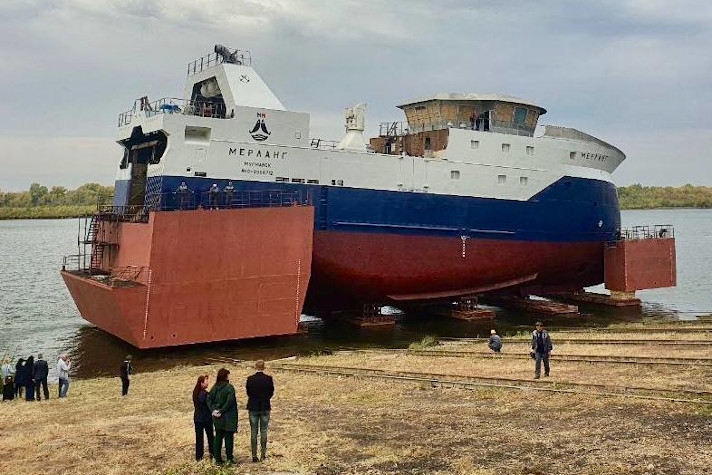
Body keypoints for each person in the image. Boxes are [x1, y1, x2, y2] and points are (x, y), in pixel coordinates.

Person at [246, 360, 274, 463]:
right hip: (265, 407)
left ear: (255, 367)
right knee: (264, 431)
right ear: (264, 367)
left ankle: (254, 455)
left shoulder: (250, 379)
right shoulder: (269, 379)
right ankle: (263, 455)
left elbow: (248, 392)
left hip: (253, 407)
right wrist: (266, 399)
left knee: (253, 431)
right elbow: (271, 392)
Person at [208, 368, 238, 465]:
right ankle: (229, 458)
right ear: (225, 376)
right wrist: (221, 411)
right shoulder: (229, 388)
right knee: (229, 437)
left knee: (218, 436)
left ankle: (218, 459)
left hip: (217, 417)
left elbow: (209, 399)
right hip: (228, 417)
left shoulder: (214, 387)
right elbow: (229, 402)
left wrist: (213, 410)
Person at [193, 374, 215, 461]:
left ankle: (199, 457)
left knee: (199, 438)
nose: (208, 383)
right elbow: (208, 405)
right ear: (201, 383)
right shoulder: (205, 394)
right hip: (206, 419)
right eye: (206, 381)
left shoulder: (195, 392)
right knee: (210, 437)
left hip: (197, 418)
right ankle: (212, 454)